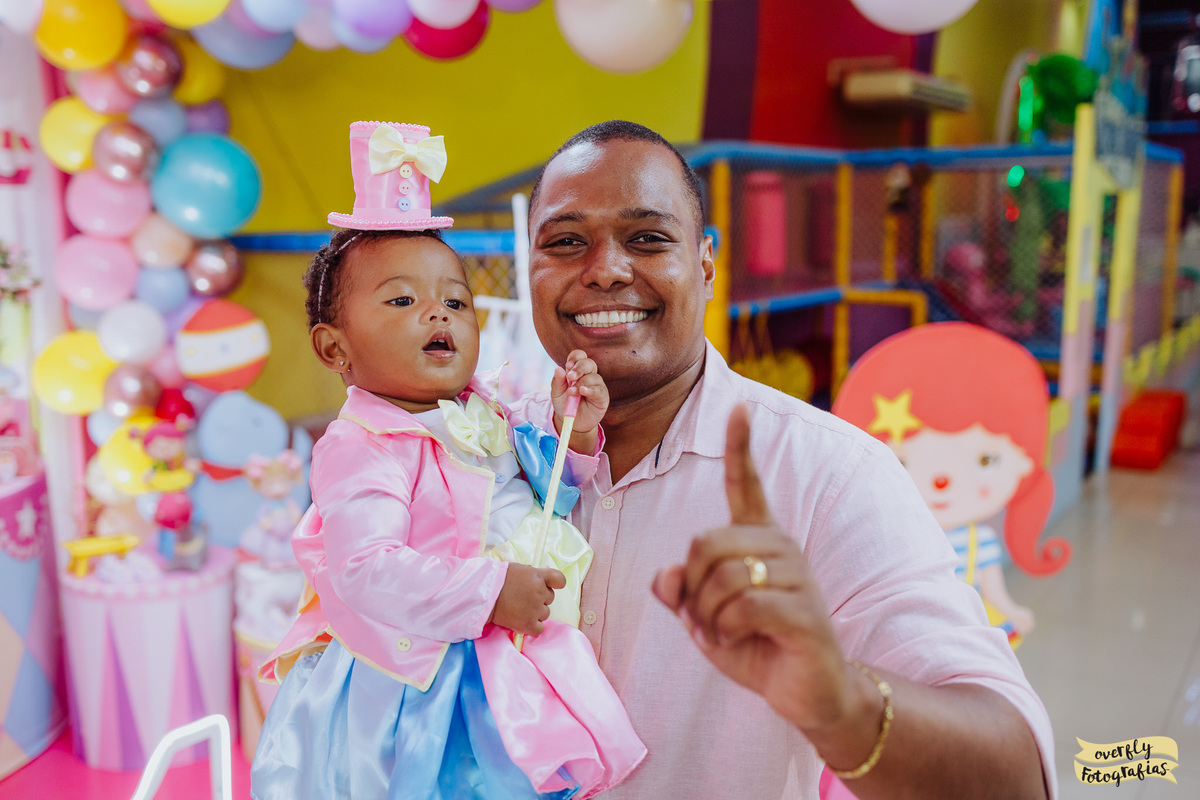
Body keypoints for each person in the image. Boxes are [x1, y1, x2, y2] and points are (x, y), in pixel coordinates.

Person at [514, 120, 1056, 799]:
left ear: (706, 263)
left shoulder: (827, 477)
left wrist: (840, 700)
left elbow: (1016, 777)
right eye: (566, 242)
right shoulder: (482, 455)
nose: (605, 269)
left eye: (647, 238)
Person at [251, 121, 645, 800]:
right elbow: (364, 568)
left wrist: (573, 436)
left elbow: (545, 497)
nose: (439, 312)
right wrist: (490, 592)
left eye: (455, 300)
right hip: (416, 686)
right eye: (403, 300)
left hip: (498, 663)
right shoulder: (364, 446)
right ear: (334, 349)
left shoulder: (488, 410)